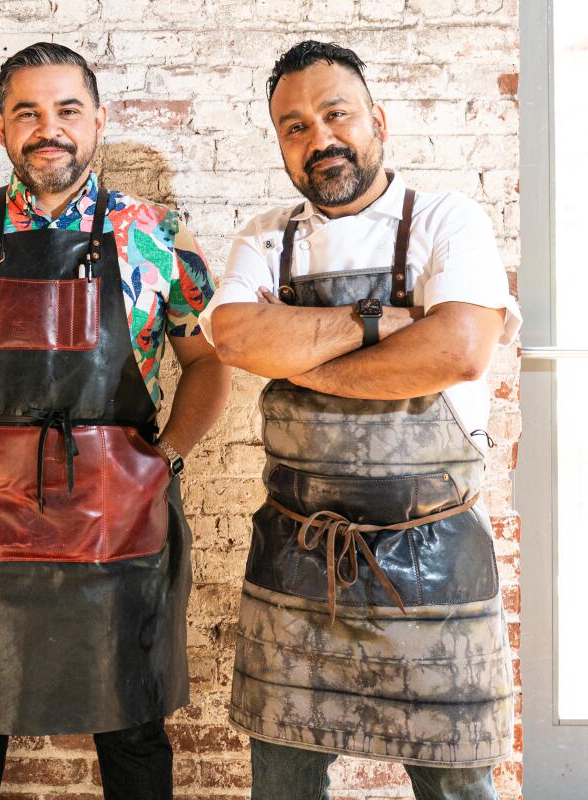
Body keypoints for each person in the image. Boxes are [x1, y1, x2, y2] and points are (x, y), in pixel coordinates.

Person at [0, 42, 231, 800]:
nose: (50, 129)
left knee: (135, 724)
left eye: (68, 110)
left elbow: (208, 365)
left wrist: (165, 458)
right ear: (0, 126)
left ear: (100, 120)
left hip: (121, 519)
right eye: (28, 112)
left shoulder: (156, 234)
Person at [201, 41, 519, 800]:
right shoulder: (264, 237)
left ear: (375, 118)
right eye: (295, 128)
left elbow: (460, 349)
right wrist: (386, 321)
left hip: (434, 562)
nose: (320, 139)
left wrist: (301, 358)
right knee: (282, 781)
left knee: (457, 785)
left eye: (334, 114)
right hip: (295, 560)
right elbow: (237, 339)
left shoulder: (449, 219)